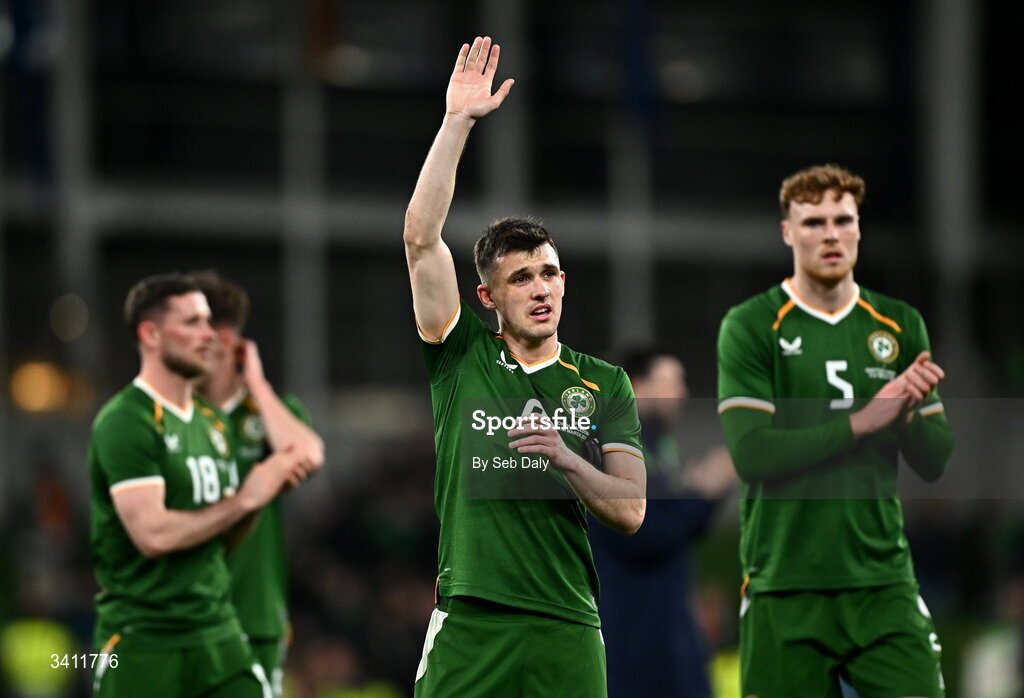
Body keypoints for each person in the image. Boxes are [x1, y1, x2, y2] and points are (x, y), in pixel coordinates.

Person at [405, 37, 647, 697]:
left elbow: (631, 512)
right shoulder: (460, 357)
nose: (540, 289)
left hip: (566, 623)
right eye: (520, 279)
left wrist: (567, 458)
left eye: (549, 274)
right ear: (488, 296)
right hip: (471, 621)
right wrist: (457, 123)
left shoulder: (605, 384)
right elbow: (421, 238)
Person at [716, 164, 954, 697]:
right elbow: (752, 455)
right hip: (785, 585)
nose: (830, 234)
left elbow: (936, 460)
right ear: (787, 232)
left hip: (881, 582)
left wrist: (908, 410)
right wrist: (865, 420)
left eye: (843, 220)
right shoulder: (752, 324)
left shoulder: (898, 323)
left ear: (859, 228)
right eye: (814, 221)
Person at [88, 273, 311, 697]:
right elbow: (152, 534)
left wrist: (249, 506)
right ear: (150, 334)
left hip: (218, 632)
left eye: (209, 322)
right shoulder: (126, 420)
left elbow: (221, 537)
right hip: (144, 638)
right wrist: (246, 497)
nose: (209, 334)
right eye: (192, 323)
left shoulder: (212, 425)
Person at [189, 270, 325, 698]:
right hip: (179, 619)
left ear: (227, 341)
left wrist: (258, 384)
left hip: (252, 620)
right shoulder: (168, 415)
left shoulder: (269, 414)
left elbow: (306, 455)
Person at [589, 348, 736, 698]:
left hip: (666, 635)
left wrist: (702, 497)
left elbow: (672, 531)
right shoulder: (610, 445)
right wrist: (701, 494)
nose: (682, 393)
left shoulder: (657, 447)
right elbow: (642, 533)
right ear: (636, 386)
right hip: (633, 639)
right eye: (671, 382)